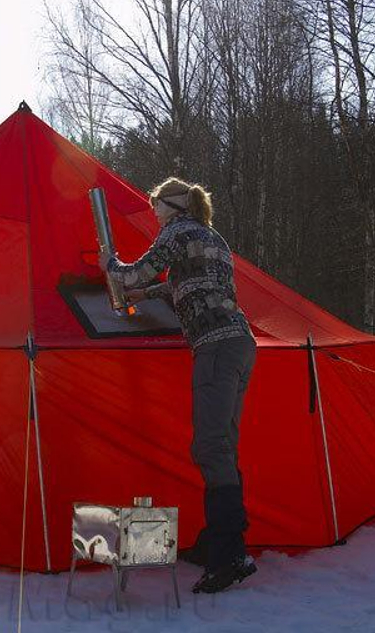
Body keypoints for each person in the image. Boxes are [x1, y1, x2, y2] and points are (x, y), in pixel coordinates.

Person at [98, 176, 258, 594]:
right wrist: (150, 293)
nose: (152, 212)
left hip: (216, 347)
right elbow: (183, 283)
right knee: (222, 443)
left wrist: (111, 267)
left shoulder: (177, 232)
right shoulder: (209, 236)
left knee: (210, 447)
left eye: (155, 205)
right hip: (240, 344)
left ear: (171, 206)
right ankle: (218, 541)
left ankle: (228, 555)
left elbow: (136, 273)